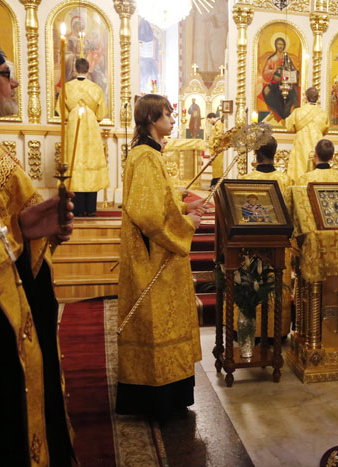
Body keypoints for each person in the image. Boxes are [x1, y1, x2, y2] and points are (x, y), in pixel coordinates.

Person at [0, 22, 76, 465]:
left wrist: (25, 227)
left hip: (17, 299)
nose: (8, 81)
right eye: (0, 73)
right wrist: (20, 231)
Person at [116, 94, 206, 420]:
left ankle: (173, 393)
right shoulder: (145, 157)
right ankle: (156, 399)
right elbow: (148, 215)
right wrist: (188, 225)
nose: (173, 118)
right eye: (168, 113)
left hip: (163, 260)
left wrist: (184, 206)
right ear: (153, 117)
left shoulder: (151, 155)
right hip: (154, 260)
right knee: (156, 325)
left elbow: (159, 201)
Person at [240, 136, 293, 338]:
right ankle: (275, 331)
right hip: (277, 247)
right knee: (275, 285)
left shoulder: (245, 181)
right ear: (275, 153)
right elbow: (290, 215)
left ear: (255, 152)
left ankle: (247, 329)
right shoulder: (286, 180)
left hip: (250, 246)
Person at [57, 57, 108, 217]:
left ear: (74, 69)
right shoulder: (96, 88)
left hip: (73, 125)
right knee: (91, 160)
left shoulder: (67, 87)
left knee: (74, 159)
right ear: (88, 70)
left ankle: (76, 208)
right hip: (91, 126)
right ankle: (91, 208)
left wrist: (72, 114)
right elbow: (101, 113)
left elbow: (61, 111)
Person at [284, 87, 329, 182]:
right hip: (317, 147)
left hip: (301, 147)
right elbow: (325, 130)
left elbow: (289, 127)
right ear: (317, 98)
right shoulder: (323, 113)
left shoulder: (298, 112)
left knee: (299, 176)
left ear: (306, 97)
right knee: (316, 179)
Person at [261, 37, 300, 121]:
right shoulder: (272, 59)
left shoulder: (287, 58)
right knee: (272, 93)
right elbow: (265, 72)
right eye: (278, 44)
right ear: (275, 45)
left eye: (282, 44)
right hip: (275, 84)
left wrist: (294, 73)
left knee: (294, 92)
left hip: (286, 84)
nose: (280, 46)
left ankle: (289, 115)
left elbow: (292, 69)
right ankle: (279, 116)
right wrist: (273, 72)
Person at [206, 112, 224, 186]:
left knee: (218, 168)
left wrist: (211, 138)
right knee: (216, 168)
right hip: (216, 149)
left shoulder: (218, 123)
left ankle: (216, 183)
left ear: (212, 118)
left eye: (209, 120)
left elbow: (219, 135)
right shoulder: (217, 123)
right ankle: (215, 182)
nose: (209, 122)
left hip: (218, 149)